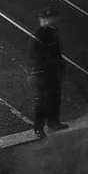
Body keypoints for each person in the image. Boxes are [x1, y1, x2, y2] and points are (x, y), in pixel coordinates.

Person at [29, 7, 65, 139]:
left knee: (55, 98)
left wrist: (61, 66)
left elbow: (57, 51)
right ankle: (39, 128)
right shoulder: (39, 35)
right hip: (43, 72)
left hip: (53, 70)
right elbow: (35, 56)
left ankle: (53, 122)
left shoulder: (52, 32)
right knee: (42, 101)